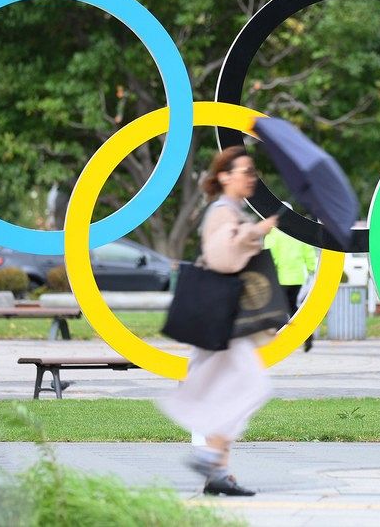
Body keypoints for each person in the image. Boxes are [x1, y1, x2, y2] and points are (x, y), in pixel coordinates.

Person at [159, 146, 279, 497]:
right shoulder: (222, 211)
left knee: (226, 387)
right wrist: (255, 232)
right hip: (222, 317)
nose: (250, 177)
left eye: (252, 171)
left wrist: (256, 231)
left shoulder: (232, 210)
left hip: (225, 317)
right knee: (252, 386)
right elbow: (222, 258)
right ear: (225, 176)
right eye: (244, 170)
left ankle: (217, 470)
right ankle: (211, 457)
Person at [264, 203, 317, 352]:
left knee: (280, 309)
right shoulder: (298, 233)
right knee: (292, 308)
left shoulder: (274, 233)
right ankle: (306, 334)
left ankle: (281, 340)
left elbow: (269, 255)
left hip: (280, 278)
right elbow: (308, 251)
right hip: (297, 277)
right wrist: (311, 268)